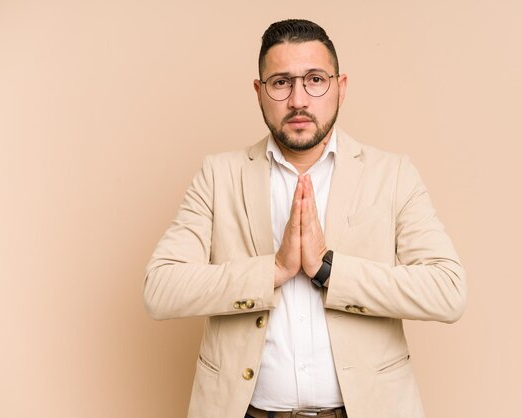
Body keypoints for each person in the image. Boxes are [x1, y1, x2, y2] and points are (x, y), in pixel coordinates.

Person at [144, 19, 466, 418]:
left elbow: (448, 291)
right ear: (259, 93)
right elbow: (160, 289)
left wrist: (329, 270)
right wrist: (273, 271)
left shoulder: (393, 174)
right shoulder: (218, 175)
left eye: (315, 79)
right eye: (281, 82)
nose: (298, 99)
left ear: (341, 87)